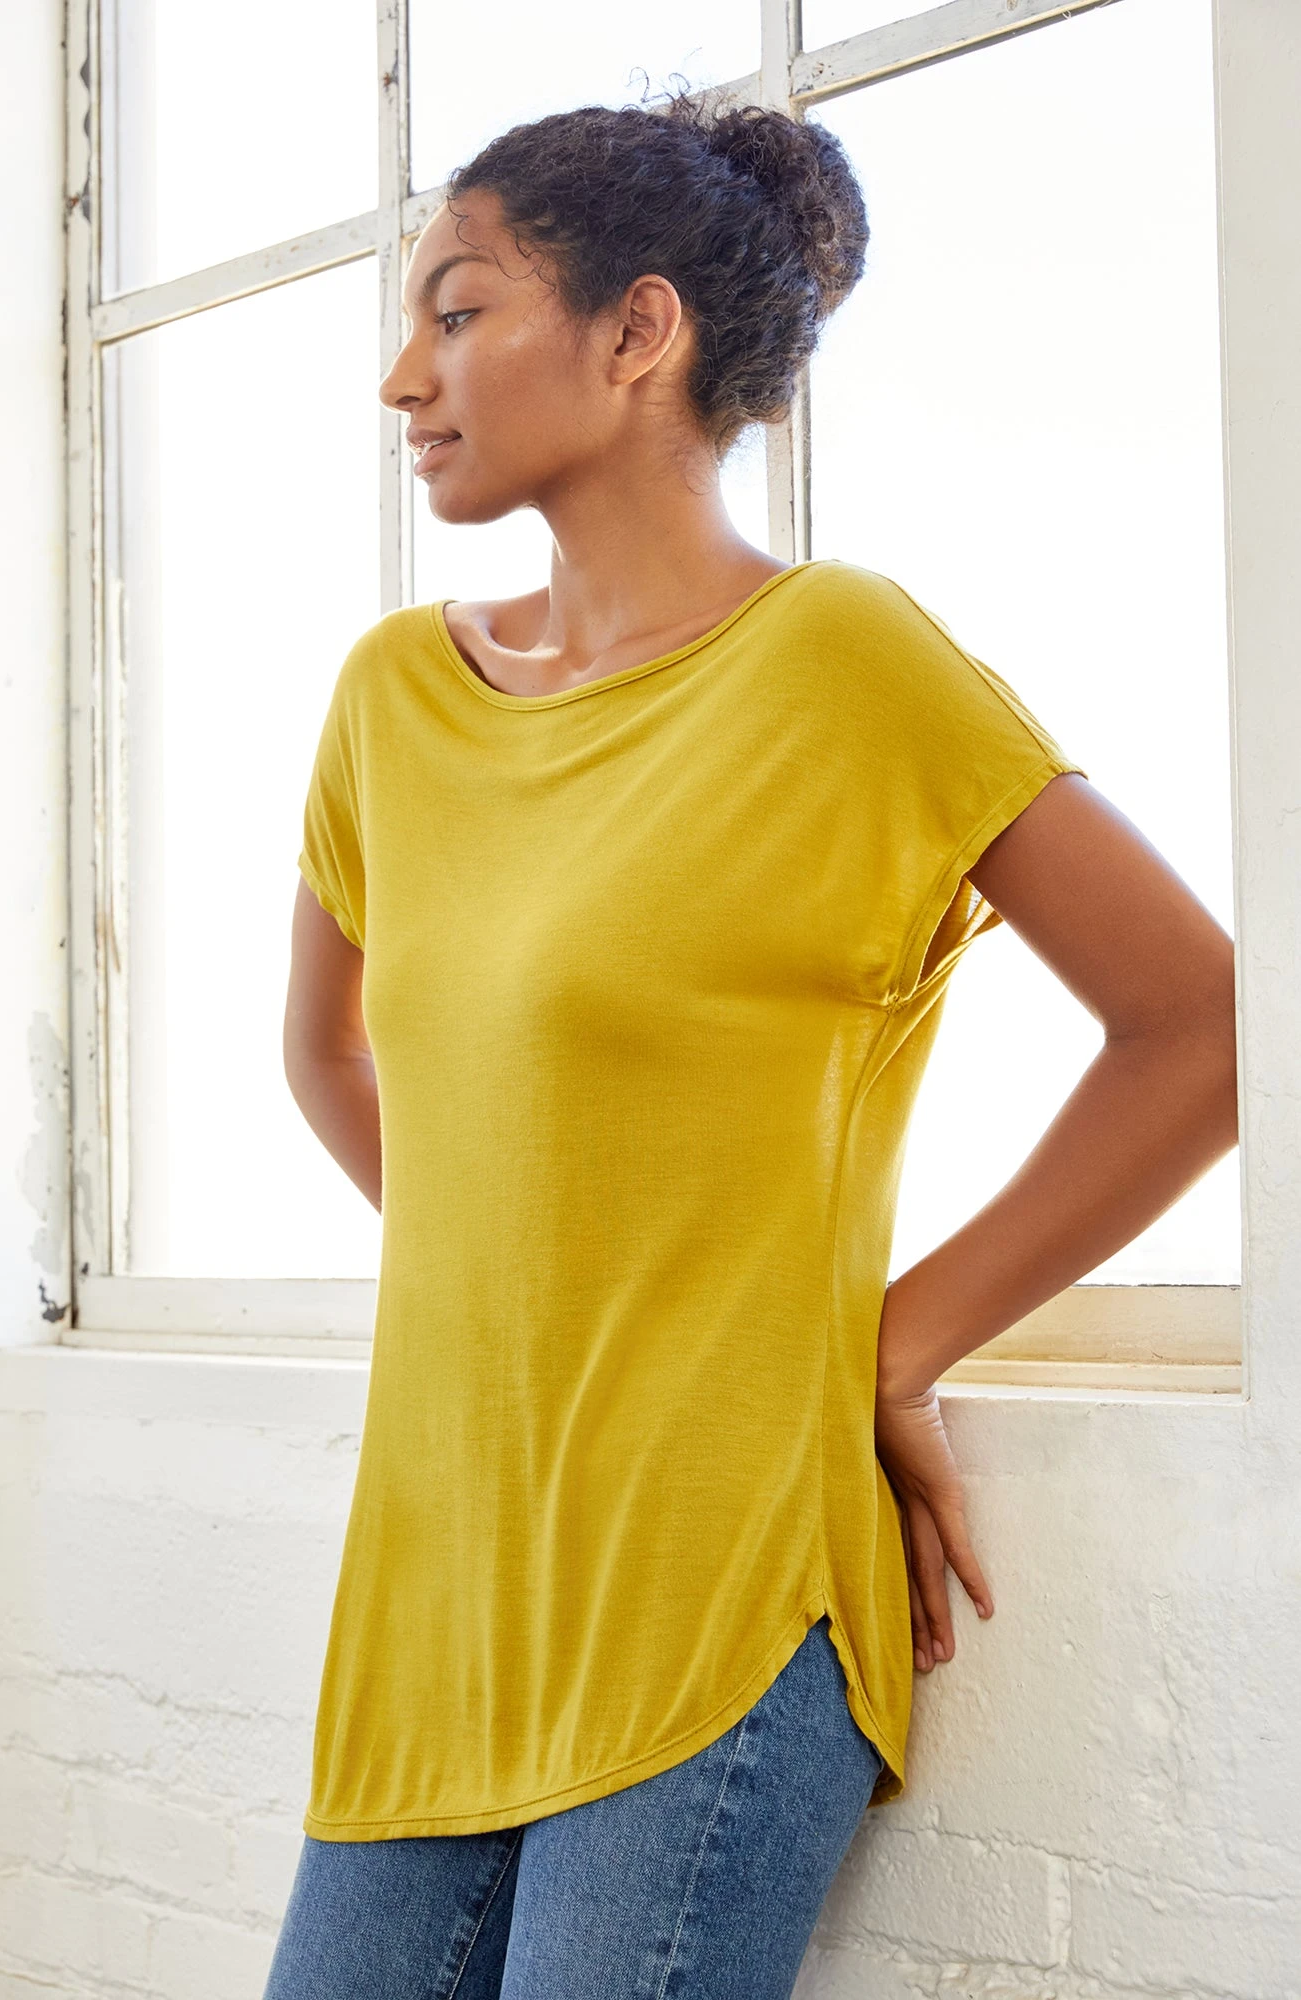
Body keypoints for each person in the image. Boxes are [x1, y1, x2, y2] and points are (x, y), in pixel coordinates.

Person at [265, 88, 1238, 2000]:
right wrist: (541, 1281)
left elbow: (1199, 1024)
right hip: (434, 1591)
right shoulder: (392, 697)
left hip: (719, 1579)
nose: (403, 377)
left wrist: (891, 1339)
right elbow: (331, 1059)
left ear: (637, 332)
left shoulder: (844, 662)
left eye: (457, 312)